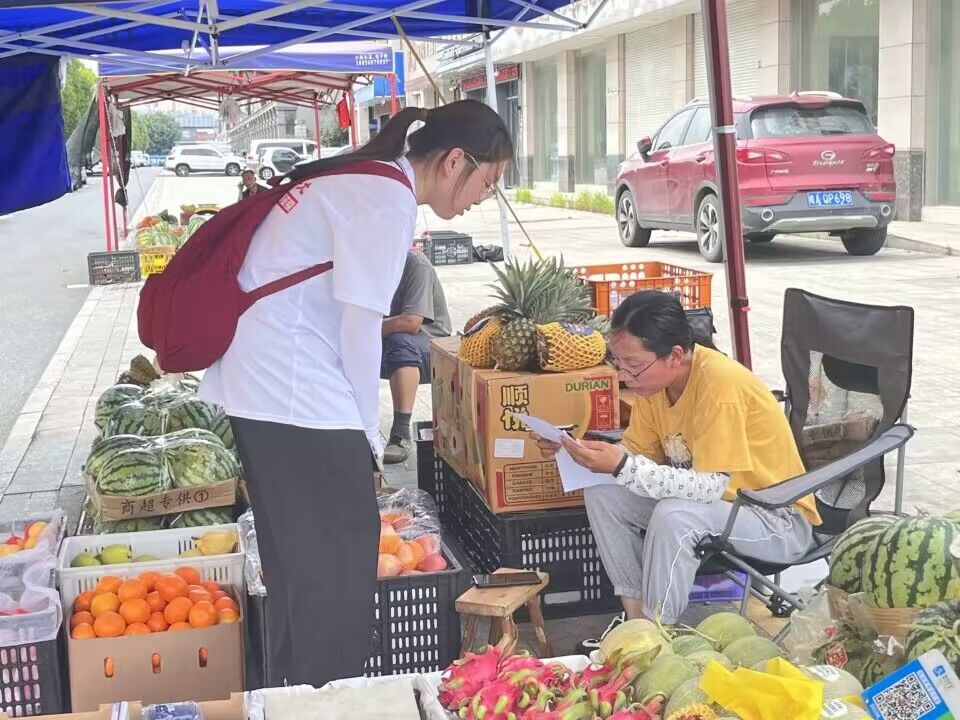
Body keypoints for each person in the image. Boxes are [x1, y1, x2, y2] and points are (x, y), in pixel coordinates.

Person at [198, 100, 513, 686]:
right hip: (295, 393)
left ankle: (294, 692)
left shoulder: (367, 180)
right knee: (338, 568)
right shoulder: (387, 199)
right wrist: (369, 437)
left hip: (265, 387)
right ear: (454, 162)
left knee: (298, 566)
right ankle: (326, 695)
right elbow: (361, 328)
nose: (482, 198)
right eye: (487, 182)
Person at [532, 291, 821, 639]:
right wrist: (575, 451)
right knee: (603, 494)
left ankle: (658, 633)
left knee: (674, 515)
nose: (624, 376)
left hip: (774, 518)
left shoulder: (720, 384)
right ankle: (635, 621)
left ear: (675, 356)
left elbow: (710, 485)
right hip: (718, 511)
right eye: (618, 362)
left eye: (633, 365)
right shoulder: (653, 386)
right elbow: (635, 452)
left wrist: (621, 465)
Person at [381, 249, 451, 464]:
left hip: (430, 345)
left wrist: (362, 329)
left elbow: (411, 322)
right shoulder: (365, 265)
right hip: (383, 336)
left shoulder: (415, 264)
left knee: (399, 342)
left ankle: (400, 433)